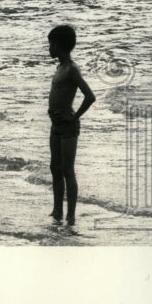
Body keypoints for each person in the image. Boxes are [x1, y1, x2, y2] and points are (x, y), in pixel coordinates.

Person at [46, 25, 96, 225]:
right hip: (56, 124)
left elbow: (90, 96)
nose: (49, 48)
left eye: (50, 44)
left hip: (67, 126)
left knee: (67, 170)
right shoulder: (60, 68)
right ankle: (57, 210)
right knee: (54, 168)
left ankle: (71, 215)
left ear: (58, 45)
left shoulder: (71, 69)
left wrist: (74, 118)